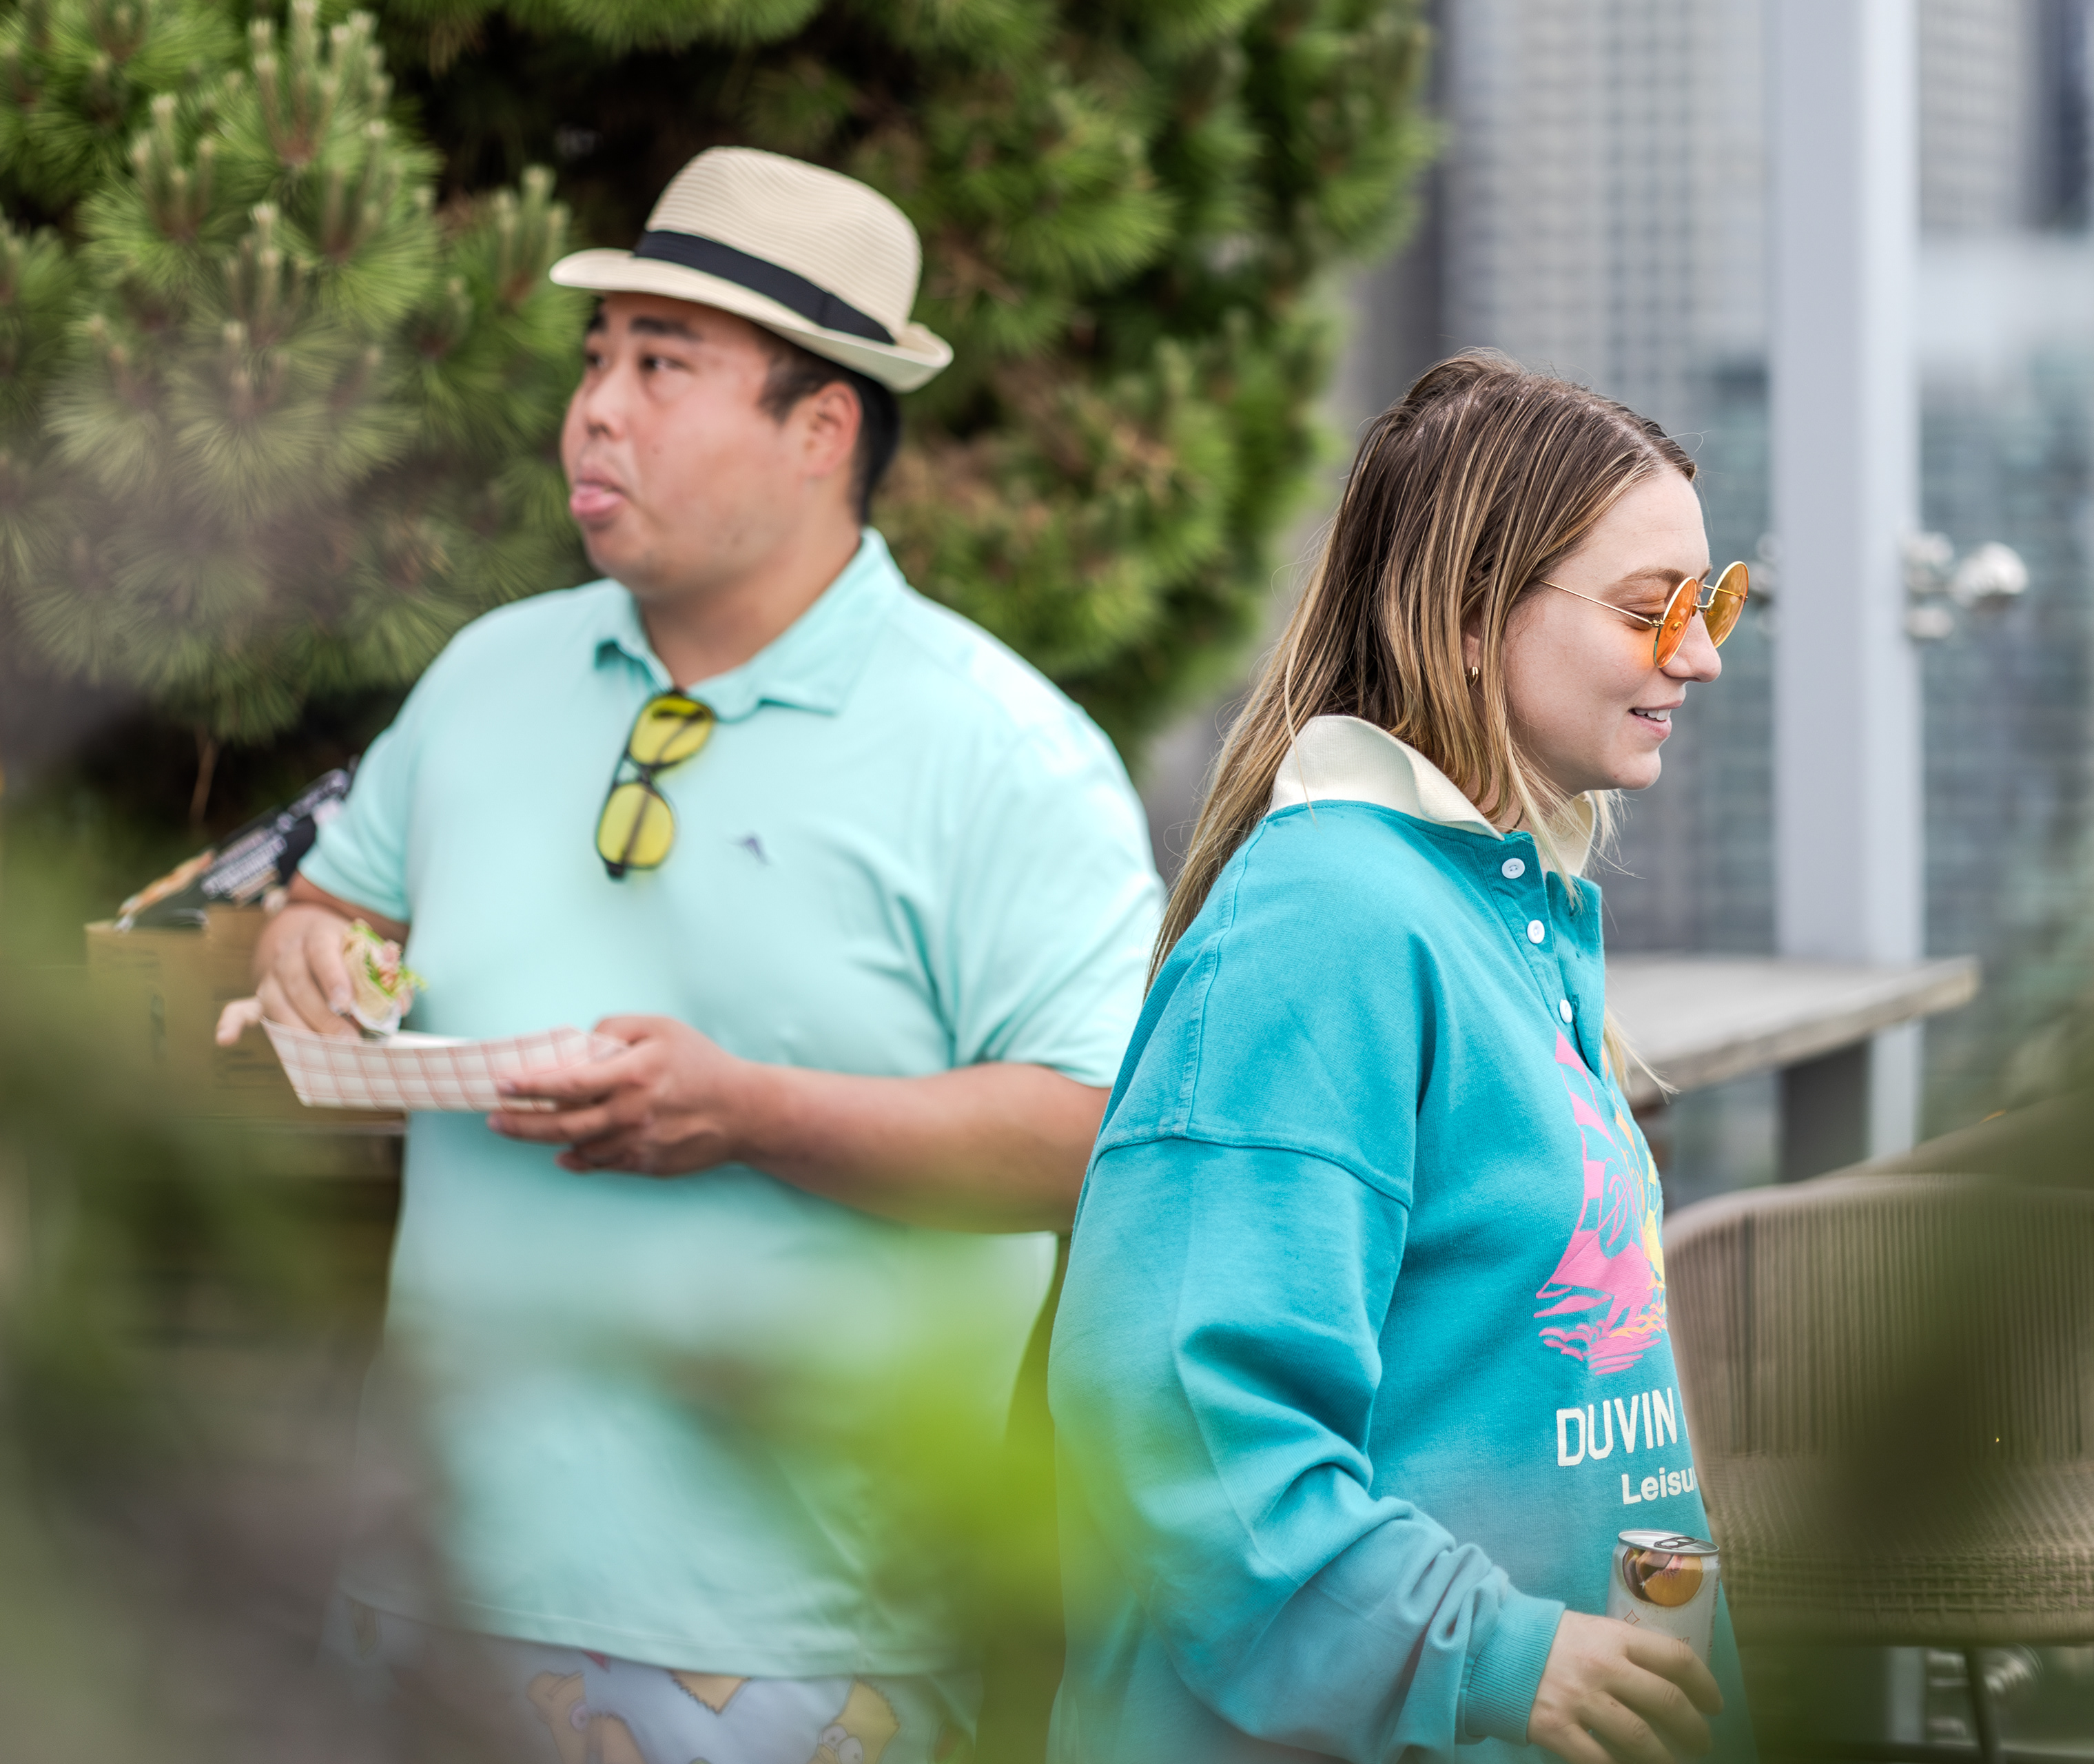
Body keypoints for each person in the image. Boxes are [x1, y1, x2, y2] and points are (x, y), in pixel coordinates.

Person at [228, 147, 1163, 1761]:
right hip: (419, 1580)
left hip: (802, 1632)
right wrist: (309, 948)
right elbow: (337, 910)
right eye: (596, 359)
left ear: (823, 428)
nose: (595, 410)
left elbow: (1104, 1132)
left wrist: (748, 1111)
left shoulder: (1008, 751)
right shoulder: (486, 674)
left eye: (662, 366)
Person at [1046, 351, 1761, 1763]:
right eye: (1651, 608)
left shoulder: (1493, 915)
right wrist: (1487, 1653)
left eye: (1713, 600)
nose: (1700, 654)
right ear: (1474, 614)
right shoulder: (1322, 927)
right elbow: (1181, 1426)